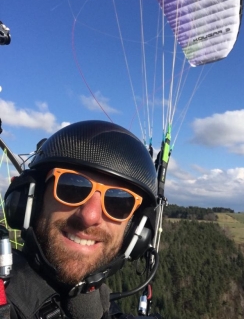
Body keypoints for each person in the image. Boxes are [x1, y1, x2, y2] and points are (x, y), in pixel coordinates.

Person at [3, 120, 160, 319]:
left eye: (118, 203)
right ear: (32, 199)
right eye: (71, 187)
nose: (90, 216)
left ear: (136, 232)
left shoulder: (95, 305)